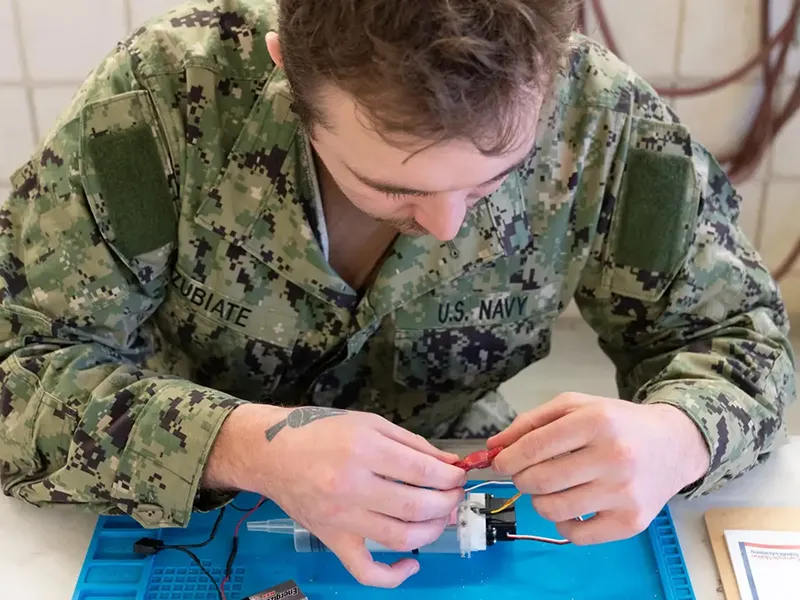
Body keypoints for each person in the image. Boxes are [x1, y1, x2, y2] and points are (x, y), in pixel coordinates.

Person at [0, 0, 795, 588]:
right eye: (387, 185)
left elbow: (742, 340)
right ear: (286, 71)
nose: (446, 227)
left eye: (494, 178)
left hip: (462, 493)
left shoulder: (604, 119)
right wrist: (242, 446)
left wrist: (677, 434)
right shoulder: (160, 103)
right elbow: (18, 368)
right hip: (189, 513)